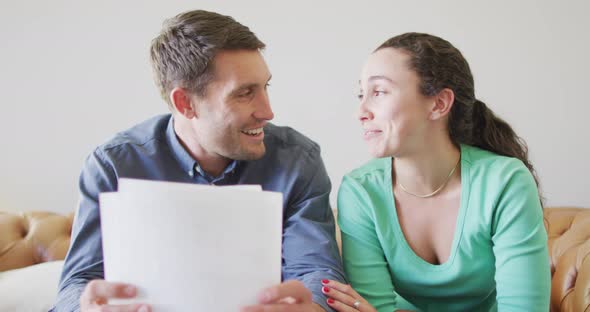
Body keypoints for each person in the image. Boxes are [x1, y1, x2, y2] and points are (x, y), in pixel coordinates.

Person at [52, 10, 345, 312]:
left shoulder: (297, 159)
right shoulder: (113, 165)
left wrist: (316, 307)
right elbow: (79, 282)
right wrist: (86, 308)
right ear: (185, 103)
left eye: (264, 86)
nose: (267, 111)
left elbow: (316, 271)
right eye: (245, 93)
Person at [322, 33, 550, 311]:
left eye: (379, 92)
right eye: (361, 94)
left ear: (439, 104)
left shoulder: (504, 182)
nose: (361, 111)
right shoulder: (360, 191)